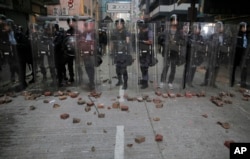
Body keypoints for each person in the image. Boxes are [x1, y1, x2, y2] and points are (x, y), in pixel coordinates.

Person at [200, 21, 232, 87]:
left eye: (219, 27)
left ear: (222, 28)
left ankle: (213, 83)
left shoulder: (225, 36)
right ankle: (205, 82)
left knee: (216, 69)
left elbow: (228, 44)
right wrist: (213, 45)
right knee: (209, 69)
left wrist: (224, 46)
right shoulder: (212, 35)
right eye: (217, 27)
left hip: (220, 55)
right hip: (212, 55)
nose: (218, 28)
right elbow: (208, 42)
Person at [160, 14, 183, 89]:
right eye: (173, 20)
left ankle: (170, 82)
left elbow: (183, 41)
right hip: (167, 51)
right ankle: (162, 81)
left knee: (173, 68)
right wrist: (165, 43)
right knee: (166, 67)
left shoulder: (179, 32)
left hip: (175, 52)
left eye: (176, 20)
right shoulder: (166, 31)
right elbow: (160, 40)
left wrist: (177, 42)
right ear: (171, 21)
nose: (175, 22)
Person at [111, 18, 130, 90]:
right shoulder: (114, 33)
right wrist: (111, 51)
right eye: (117, 24)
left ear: (123, 25)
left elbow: (128, 43)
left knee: (124, 69)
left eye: (120, 24)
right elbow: (112, 43)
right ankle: (120, 80)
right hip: (117, 53)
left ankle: (125, 83)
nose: (118, 25)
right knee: (117, 68)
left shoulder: (126, 32)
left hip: (124, 53)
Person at [78, 19, 96, 90]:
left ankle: (92, 82)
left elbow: (96, 43)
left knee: (91, 68)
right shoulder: (83, 34)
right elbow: (80, 43)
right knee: (87, 68)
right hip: (85, 54)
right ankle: (90, 80)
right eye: (86, 26)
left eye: (89, 26)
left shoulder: (94, 34)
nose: (88, 27)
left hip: (91, 54)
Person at [186, 23, 205, 87]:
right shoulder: (189, 36)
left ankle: (190, 81)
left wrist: (197, 46)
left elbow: (202, 46)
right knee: (188, 69)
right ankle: (186, 80)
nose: (197, 29)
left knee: (193, 69)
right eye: (195, 28)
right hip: (189, 55)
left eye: (198, 28)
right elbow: (188, 44)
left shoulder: (201, 37)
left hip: (197, 56)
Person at [62, 17, 79, 84]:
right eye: (70, 23)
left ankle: (80, 77)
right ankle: (71, 77)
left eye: (73, 22)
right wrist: (64, 49)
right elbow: (64, 42)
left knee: (79, 65)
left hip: (77, 52)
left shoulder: (78, 32)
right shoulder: (67, 32)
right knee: (69, 65)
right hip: (69, 52)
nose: (71, 24)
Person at [231, 22, 249, 87]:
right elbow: (234, 44)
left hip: (244, 54)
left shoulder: (246, 35)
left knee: (244, 68)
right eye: (244, 27)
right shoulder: (237, 34)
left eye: (246, 27)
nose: (245, 28)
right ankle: (231, 81)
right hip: (237, 54)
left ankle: (243, 82)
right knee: (234, 68)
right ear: (241, 27)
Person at [137, 20, 153, 89]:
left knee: (145, 68)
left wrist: (142, 41)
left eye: (140, 26)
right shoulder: (140, 32)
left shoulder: (149, 32)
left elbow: (150, 42)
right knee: (141, 67)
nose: (139, 27)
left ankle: (145, 82)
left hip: (147, 52)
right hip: (141, 51)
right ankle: (144, 79)